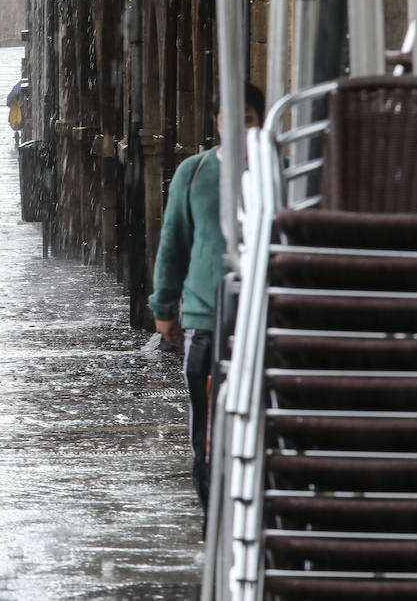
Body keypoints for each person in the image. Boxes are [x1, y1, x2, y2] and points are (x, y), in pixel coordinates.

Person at [150, 81, 265, 512]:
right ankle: (210, 503)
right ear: (217, 122)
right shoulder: (193, 173)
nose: (240, 130)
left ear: (262, 121)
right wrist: (164, 307)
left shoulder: (280, 172)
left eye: (249, 121)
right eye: (231, 120)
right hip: (203, 314)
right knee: (206, 422)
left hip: (263, 314)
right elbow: (173, 242)